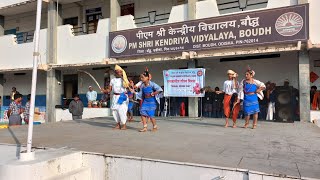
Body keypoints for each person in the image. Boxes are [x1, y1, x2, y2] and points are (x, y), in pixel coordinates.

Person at [101, 65, 129, 130]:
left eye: (120, 72)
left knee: (122, 111)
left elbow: (128, 86)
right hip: (115, 97)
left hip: (123, 96)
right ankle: (118, 124)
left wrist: (125, 81)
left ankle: (124, 125)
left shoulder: (124, 80)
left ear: (122, 73)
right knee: (114, 110)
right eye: (117, 72)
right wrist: (104, 91)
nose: (118, 73)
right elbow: (109, 90)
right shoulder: (112, 80)